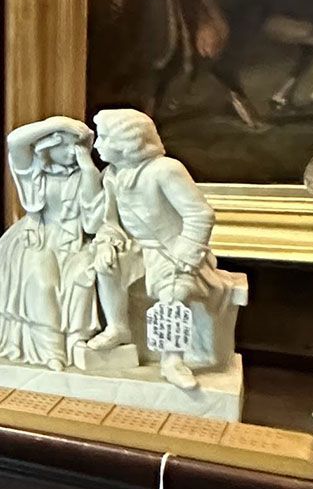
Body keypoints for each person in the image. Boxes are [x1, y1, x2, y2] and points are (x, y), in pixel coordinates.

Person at [83, 105, 246, 388]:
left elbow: (199, 214)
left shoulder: (165, 170)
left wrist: (187, 255)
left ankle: (172, 359)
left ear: (128, 141)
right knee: (105, 266)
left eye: (104, 137)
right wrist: (108, 241)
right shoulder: (112, 175)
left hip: (170, 250)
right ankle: (118, 327)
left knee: (174, 293)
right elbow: (111, 220)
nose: (97, 145)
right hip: (135, 248)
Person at [0, 116, 104, 369]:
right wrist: (56, 123)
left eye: (77, 147)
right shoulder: (33, 172)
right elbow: (14, 141)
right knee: (42, 283)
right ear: (49, 145)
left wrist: (90, 170)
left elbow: (93, 223)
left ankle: (75, 343)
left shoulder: (86, 176)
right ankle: (52, 351)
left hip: (75, 242)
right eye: (65, 146)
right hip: (37, 238)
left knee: (82, 278)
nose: (72, 153)